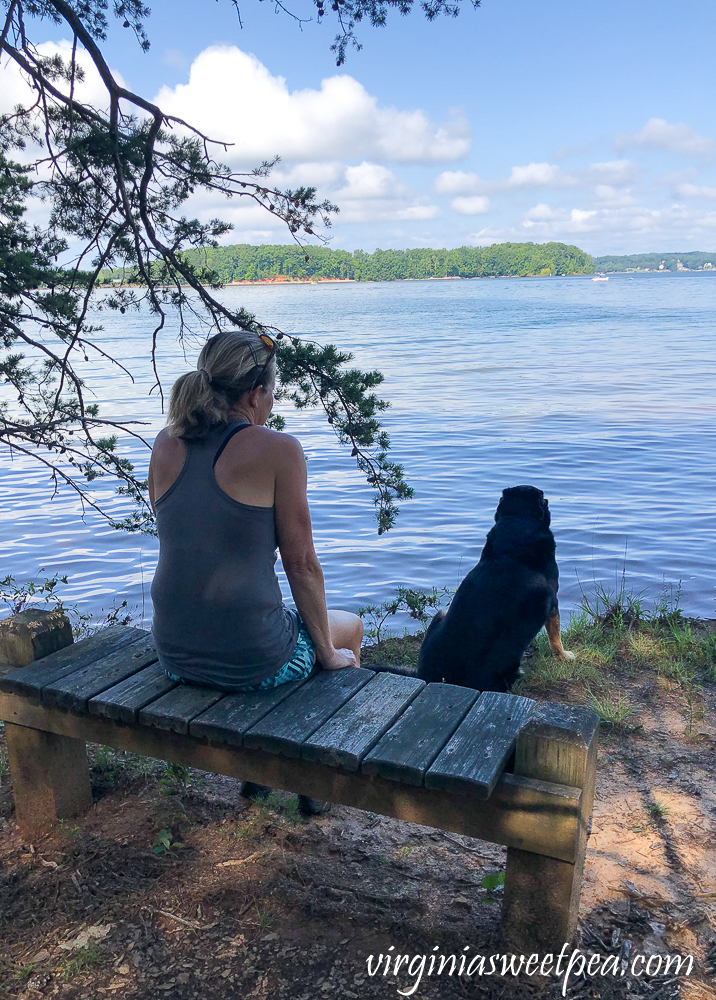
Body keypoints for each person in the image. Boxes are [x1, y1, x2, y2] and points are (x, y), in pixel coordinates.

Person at [149, 330, 363, 806]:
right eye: (271, 393)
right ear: (255, 393)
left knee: (300, 630)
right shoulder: (279, 450)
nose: (271, 404)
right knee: (347, 631)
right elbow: (302, 564)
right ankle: (317, 784)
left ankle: (261, 775)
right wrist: (327, 653)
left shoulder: (165, 443)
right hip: (254, 663)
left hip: (174, 656)